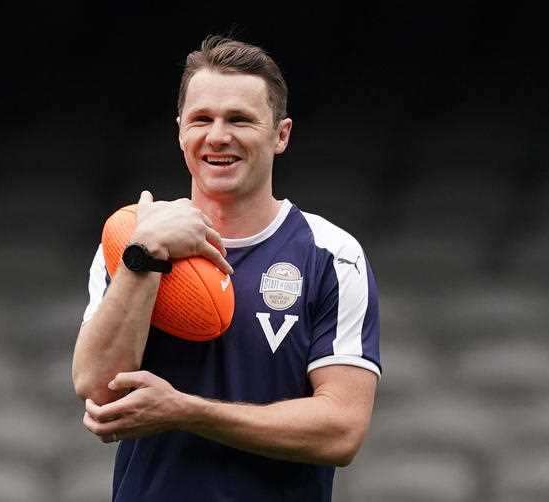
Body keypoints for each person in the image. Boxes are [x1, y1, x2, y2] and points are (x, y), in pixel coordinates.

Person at [72, 35, 381, 502]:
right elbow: (98, 391)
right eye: (201, 119)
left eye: (239, 119)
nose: (218, 136)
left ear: (281, 135)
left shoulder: (330, 254)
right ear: (180, 132)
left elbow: (341, 431)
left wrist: (187, 411)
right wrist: (145, 256)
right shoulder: (130, 242)